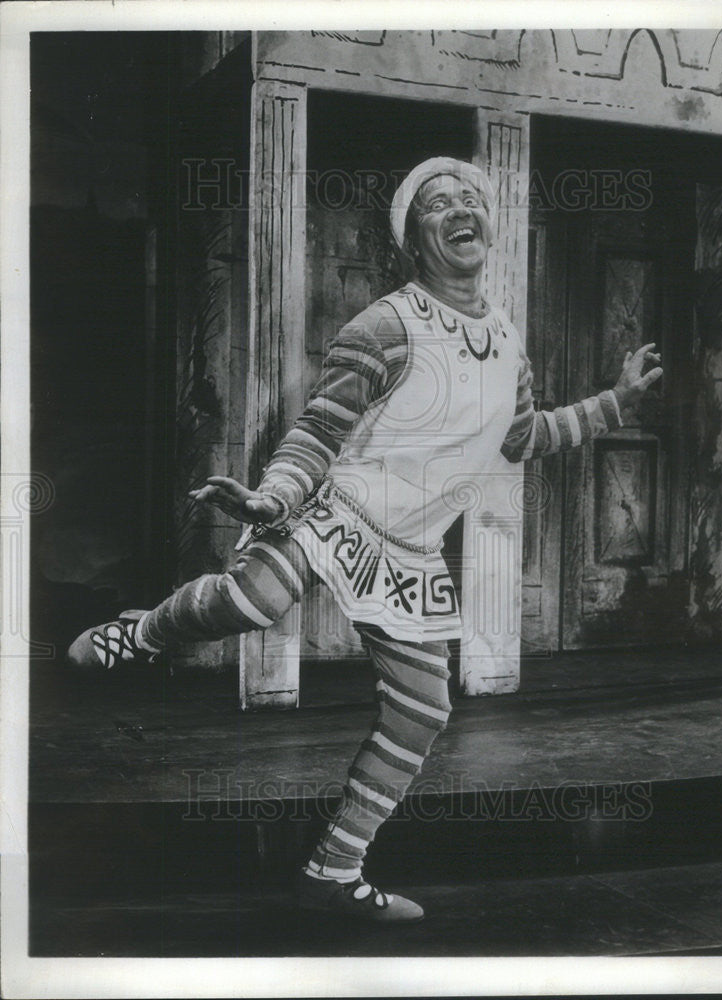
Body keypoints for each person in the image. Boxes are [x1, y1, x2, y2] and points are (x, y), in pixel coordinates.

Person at [68, 156, 662, 923]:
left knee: (422, 710)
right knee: (251, 602)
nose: (460, 209)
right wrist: (271, 497)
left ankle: (332, 871)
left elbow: (521, 438)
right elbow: (318, 431)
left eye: (470, 199)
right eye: (438, 203)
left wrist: (614, 401)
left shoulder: (508, 342)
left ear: (489, 225)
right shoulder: (385, 324)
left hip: (412, 552)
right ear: (415, 241)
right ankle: (142, 632)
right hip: (339, 510)